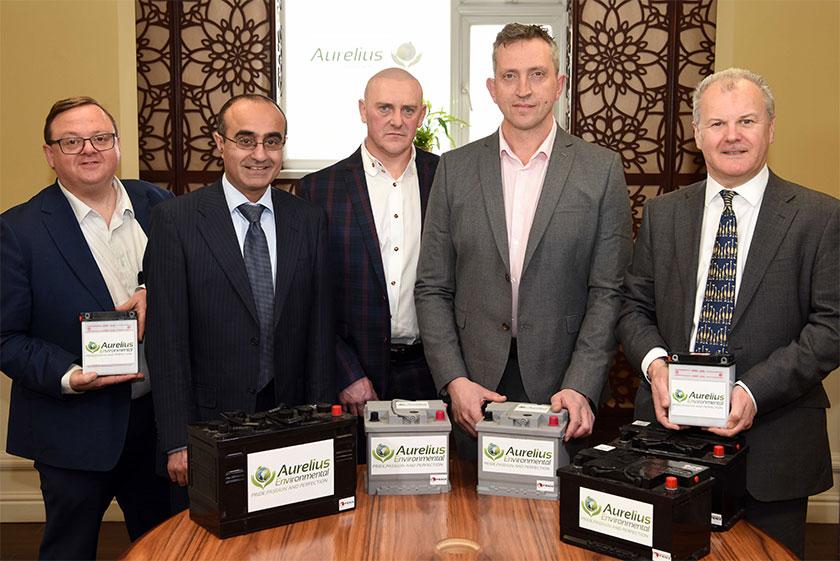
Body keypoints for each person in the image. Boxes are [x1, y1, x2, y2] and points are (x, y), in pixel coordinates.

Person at [617, 68, 838, 559]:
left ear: (771, 128)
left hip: (773, 448)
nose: (732, 136)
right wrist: (655, 366)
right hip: (668, 441)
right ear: (697, 134)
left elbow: (832, 326)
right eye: (716, 124)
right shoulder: (663, 213)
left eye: (746, 121)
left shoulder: (820, 217)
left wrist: (753, 391)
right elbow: (634, 306)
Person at [414, 24, 632, 457]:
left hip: (561, 388)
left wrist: (581, 384)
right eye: (510, 77)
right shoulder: (455, 170)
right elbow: (433, 287)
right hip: (475, 390)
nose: (524, 90)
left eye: (537, 74)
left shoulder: (601, 170)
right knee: (468, 521)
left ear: (559, 84)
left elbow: (608, 291)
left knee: (549, 522)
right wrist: (454, 381)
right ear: (492, 89)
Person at [0, 97, 172, 560]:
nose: (88, 150)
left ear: (117, 146)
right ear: (49, 153)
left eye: (100, 138)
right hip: (73, 428)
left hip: (159, 422)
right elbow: (5, 338)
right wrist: (69, 375)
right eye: (71, 141)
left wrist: (156, 291)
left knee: (167, 547)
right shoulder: (17, 231)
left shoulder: (162, 205)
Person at [144, 94, 334, 494]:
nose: (260, 154)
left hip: (292, 421)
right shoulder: (175, 221)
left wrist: (320, 424)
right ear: (220, 143)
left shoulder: (309, 219)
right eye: (246, 140)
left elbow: (319, 332)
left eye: (273, 140)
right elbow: (167, 342)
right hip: (211, 424)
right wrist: (179, 439)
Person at [296, 68, 439, 420]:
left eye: (408, 110)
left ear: (421, 115)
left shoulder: (446, 179)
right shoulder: (318, 190)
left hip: (430, 373)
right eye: (384, 108)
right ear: (363, 110)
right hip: (353, 379)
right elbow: (309, 295)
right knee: (354, 476)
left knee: (435, 476)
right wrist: (345, 372)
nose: (397, 120)